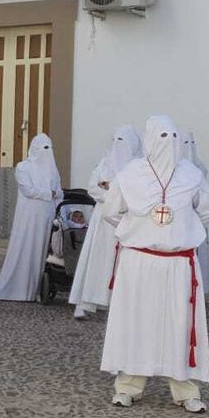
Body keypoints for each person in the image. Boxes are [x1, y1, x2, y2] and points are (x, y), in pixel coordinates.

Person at [100, 116, 209, 413]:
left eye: (174, 136)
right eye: (163, 136)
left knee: (179, 322)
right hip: (139, 260)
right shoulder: (131, 174)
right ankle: (128, 385)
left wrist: (177, 232)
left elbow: (207, 211)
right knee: (137, 321)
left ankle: (185, 389)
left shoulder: (191, 174)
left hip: (177, 262)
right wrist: (145, 232)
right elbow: (113, 211)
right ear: (151, 139)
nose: (170, 142)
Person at [70, 125, 143, 320]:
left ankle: (119, 306)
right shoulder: (104, 163)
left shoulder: (139, 167)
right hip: (103, 220)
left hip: (127, 218)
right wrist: (114, 192)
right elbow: (93, 188)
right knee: (97, 260)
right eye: (116, 140)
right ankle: (85, 301)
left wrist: (112, 189)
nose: (119, 146)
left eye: (123, 142)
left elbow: (138, 192)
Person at [0, 134, 62, 302]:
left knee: (43, 252)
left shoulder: (53, 168)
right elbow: (28, 190)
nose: (47, 152)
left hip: (47, 216)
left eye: (49, 148)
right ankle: (17, 289)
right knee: (26, 248)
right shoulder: (23, 167)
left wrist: (55, 196)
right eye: (44, 148)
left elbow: (59, 191)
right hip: (29, 217)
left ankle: (37, 289)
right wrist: (49, 193)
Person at [180, 130, 209, 282]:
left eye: (191, 143)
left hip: (196, 219)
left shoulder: (200, 168)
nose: (189, 147)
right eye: (185, 143)